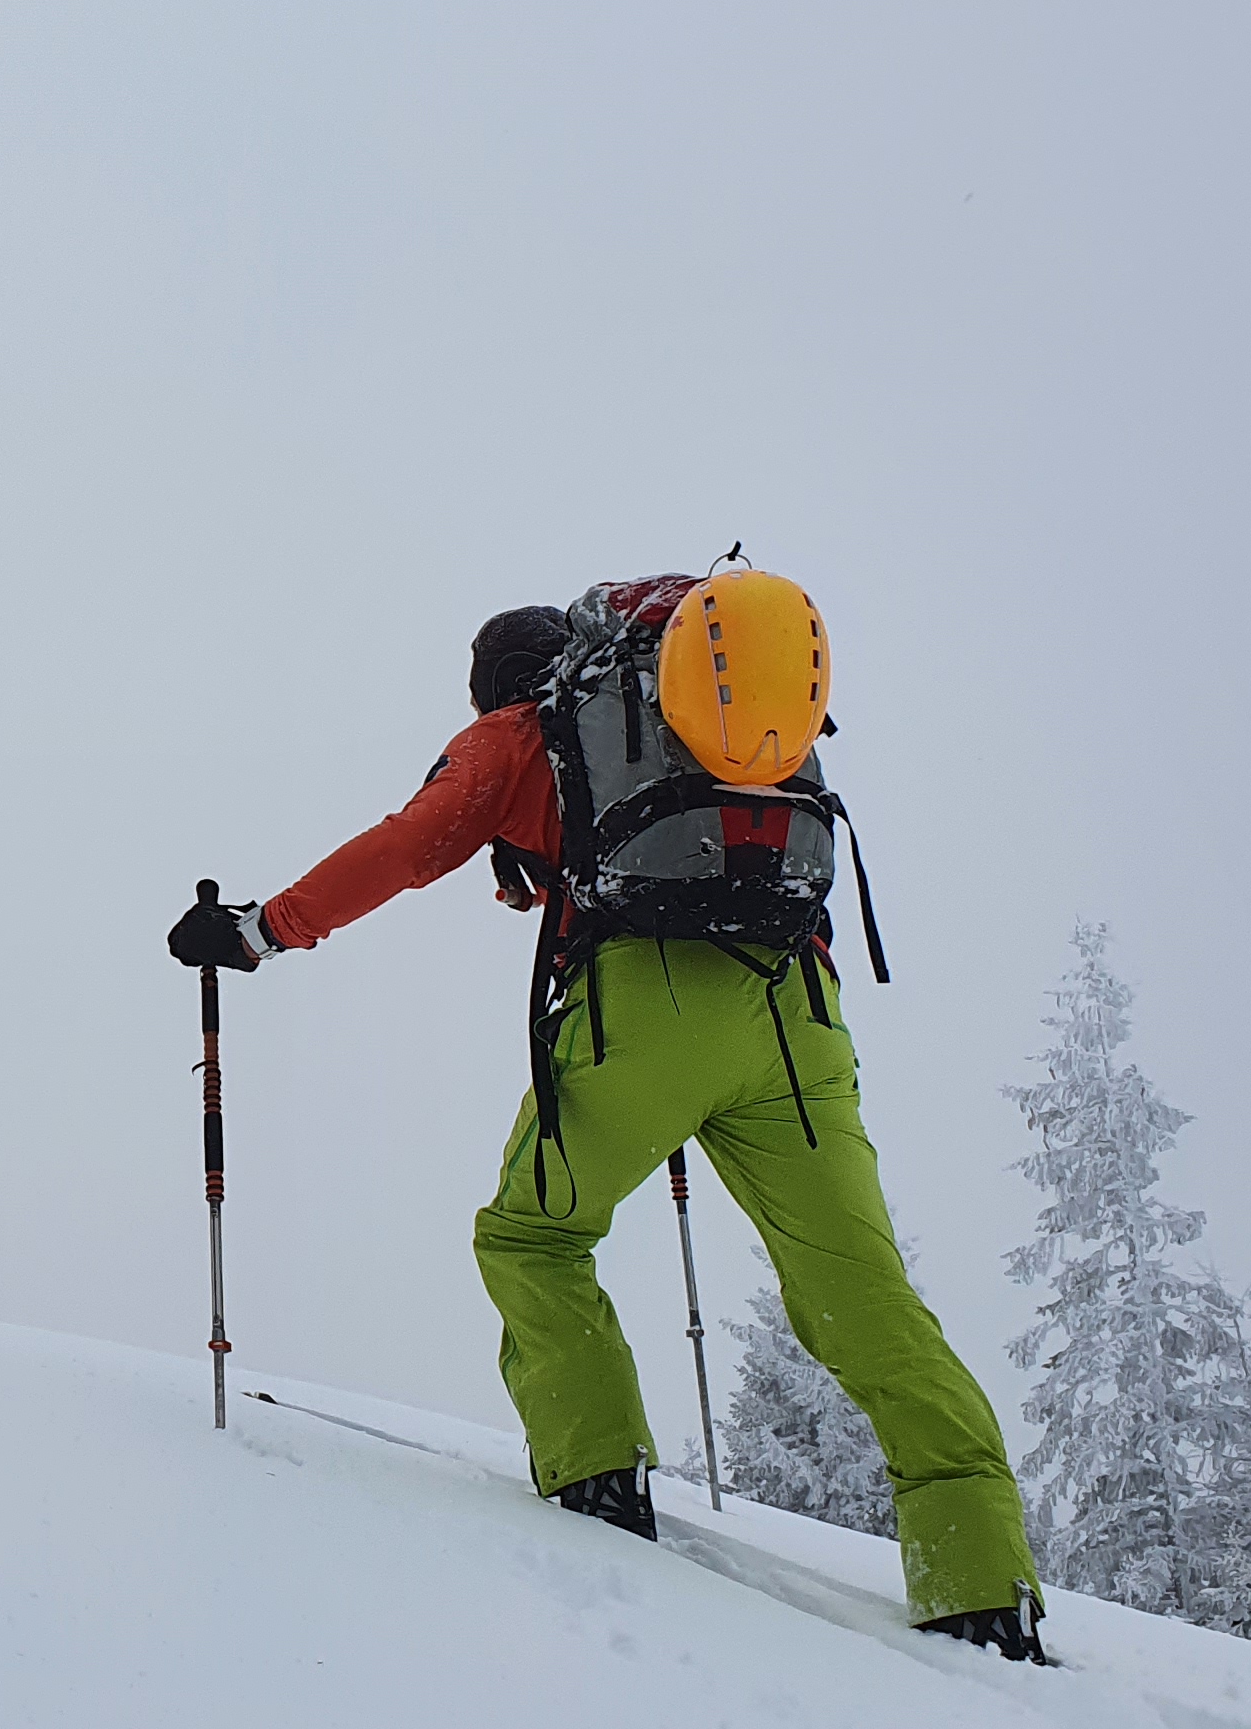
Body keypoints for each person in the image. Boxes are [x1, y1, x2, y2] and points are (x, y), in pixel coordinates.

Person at [169, 601, 1050, 1661]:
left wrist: (261, 930)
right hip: (801, 1018)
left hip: (645, 1012)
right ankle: (980, 1578)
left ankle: (598, 1477)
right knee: (865, 1296)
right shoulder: (707, 723)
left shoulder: (517, 731)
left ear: (493, 684)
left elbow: (409, 846)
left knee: (533, 1237)